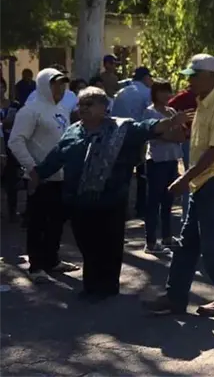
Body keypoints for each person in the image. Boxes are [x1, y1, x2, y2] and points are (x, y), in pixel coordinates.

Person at [28, 87, 189, 301]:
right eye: (81, 104)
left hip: (111, 198)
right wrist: (37, 175)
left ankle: (107, 286)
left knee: (109, 244)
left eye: (89, 104)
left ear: (104, 108)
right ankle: (92, 285)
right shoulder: (73, 131)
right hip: (79, 199)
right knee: (86, 243)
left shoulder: (121, 127)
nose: (83, 108)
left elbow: (147, 128)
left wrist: (170, 122)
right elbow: (56, 156)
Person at [144, 54, 214, 317]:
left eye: (194, 75)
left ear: (211, 77)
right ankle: (175, 297)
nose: (189, 80)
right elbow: (194, 142)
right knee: (187, 244)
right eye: (188, 75)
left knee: (213, 244)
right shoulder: (201, 104)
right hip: (203, 182)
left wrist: (184, 178)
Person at [8, 68, 79, 283]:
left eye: (63, 84)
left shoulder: (61, 109)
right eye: (56, 84)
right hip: (40, 177)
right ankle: (36, 266)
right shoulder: (30, 111)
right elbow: (15, 141)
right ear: (44, 85)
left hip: (61, 176)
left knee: (56, 221)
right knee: (38, 221)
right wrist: (32, 169)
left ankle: (52, 260)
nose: (60, 88)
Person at [143, 80, 183, 255]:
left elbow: (181, 134)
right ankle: (151, 241)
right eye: (162, 92)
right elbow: (154, 134)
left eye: (168, 91)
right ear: (155, 93)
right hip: (156, 161)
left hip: (171, 159)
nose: (166, 95)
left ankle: (167, 237)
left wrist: (170, 134)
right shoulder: (149, 112)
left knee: (168, 201)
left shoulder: (172, 111)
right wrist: (169, 134)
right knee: (153, 202)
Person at [112, 66, 153, 218]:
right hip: (139, 135)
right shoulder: (147, 92)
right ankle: (141, 207)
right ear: (145, 78)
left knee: (123, 173)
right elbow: (150, 114)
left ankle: (120, 207)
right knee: (142, 173)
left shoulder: (121, 93)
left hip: (119, 135)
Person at [167, 86, 197, 223]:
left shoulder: (210, 97)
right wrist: (182, 126)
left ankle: (193, 216)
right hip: (189, 140)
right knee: (189, 177)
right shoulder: (185, 96)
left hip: (204, 140)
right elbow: (169, 107)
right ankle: (187, 216)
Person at [0, 79, 22, 223]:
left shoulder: (14, 105)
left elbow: (20, 122)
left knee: (12, 180)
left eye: (1, 87)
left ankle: (12, 211)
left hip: (11, 145)